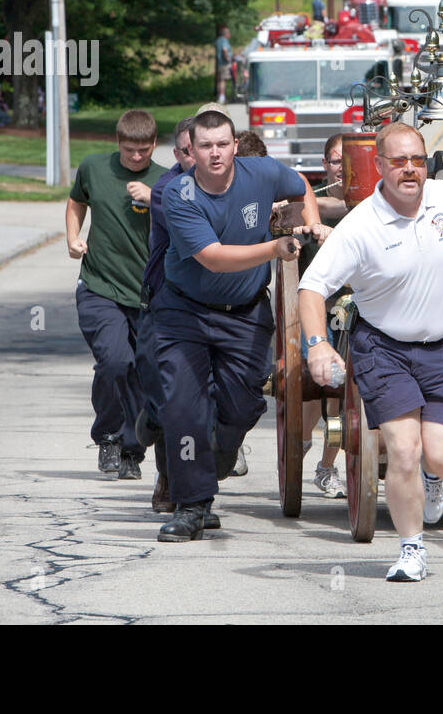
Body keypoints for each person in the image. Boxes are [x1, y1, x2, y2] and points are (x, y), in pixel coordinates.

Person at [299, 122, 443, 581]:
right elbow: (312, 288)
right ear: (381, 165)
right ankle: (412, 551)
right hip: (384, 349)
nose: (410, 170)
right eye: (399, 161)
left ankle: (435, 479)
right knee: (403, 450)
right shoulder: (360, 227)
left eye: (418, 160)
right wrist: (317, 344)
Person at [154, 109, 318, 540]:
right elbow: (213, 257)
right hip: (185, 312)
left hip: (244, 314)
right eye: (205, 146)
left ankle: (220, 452)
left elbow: (299, 184)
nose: (214, 154)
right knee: (183, 406)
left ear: (234, 145)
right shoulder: (180, 194)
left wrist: (312, 219)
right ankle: (192, 506)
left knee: (243, 406)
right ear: (192, 149)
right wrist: (275, 247)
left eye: (222, 144)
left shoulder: (260, 172)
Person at [66, 110, 165, 479]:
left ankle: (131, 451)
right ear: (117, 143)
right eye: (128, 150)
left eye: (143, 151)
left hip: (145, 293)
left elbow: (185, 219)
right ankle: (107, 435)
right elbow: (77, 201)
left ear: (154, 145)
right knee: (115, 361)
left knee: (143, 371)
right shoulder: (94, 167)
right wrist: (73, 238)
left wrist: (155, 198)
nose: (136, 158)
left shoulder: (166, 180)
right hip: (99, 287)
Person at [134, 117, 197, 514]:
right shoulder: (166, 190)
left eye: (206, 148)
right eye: (189, 151)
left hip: (210, 308)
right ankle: (168, 474)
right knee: (165, 396)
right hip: (165, 301)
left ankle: (188, 476)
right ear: (177, 154)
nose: (198, 158)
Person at [302, 134, 348, 498]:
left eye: (351, 160)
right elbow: (311, 208)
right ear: (325, 166)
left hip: (362, 309)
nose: (342, 167)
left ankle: (326, 467)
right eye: (335, 161)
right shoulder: (309, 200)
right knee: (323, 380)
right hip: (321, 309)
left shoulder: (382, 200)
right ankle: (300, 441)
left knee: (339, 388)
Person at [214, 25, 232, 105]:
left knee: (220, 80)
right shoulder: (224, 41)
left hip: (220, 63)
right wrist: (228, 59)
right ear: (226, 34)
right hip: (224, 64)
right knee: (223, 81)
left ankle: (220, 97)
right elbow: (224, 50)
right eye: (229, 33)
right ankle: (222, 97)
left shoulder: (218, 40)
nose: (230, 35)